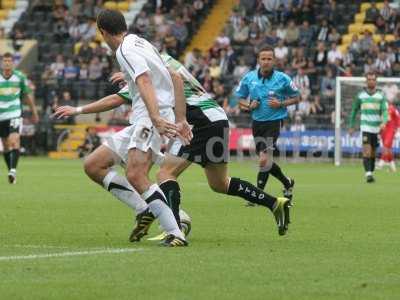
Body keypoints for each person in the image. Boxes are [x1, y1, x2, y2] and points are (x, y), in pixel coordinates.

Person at [55, 53, 292, 240]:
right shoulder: (163, 61)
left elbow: (119, 98)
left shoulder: (151, 72)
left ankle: (175, 228)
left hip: (198, 120)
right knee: (220, 183)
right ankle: (274, 203)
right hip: (215, 118)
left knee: (165, 172)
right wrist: (128, 77)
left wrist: (79, 110)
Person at [93, 9, 190, 246]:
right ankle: (145, 208)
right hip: (145, 117)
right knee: (94, 165)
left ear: (103, 32)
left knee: (136, 173)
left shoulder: (124, 50)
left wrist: (156, 116)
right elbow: (174, 76)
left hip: (149, 116)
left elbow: (144, 80)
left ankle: (174, 231)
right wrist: (180, 118)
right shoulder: (140, 42)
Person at [236, 46, 300, 206]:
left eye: (269, 59)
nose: (266, 61)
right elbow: (240, 99)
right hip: (257, 122)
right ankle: (287, 182)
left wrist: (281, 103)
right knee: (266, 161)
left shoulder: (283, 79)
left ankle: (256, 197)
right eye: (263, 59)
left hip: (274, 121)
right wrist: (250, 105)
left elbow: (297, 97)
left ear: (274, 61)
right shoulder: (249, 78)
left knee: (264, 160)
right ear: (258, 60)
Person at [0, 52, 39, 184]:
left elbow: (27, 95)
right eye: (4, 61)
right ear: (1, 63)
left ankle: (13, 171)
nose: (7, 63)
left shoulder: (20, 77)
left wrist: (34, 112)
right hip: (1, 116)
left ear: (13, 63)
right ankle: (10, 169)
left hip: (14, 113)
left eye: (9, 61)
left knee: (14, 140)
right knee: (5, 146)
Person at [349, 72, 388, 183]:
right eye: (369, 79)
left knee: (373, 152)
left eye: (373, 79)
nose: (371, 81)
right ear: (366, 81)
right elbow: (354, 110)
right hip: (365, 127)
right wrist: (351, 125)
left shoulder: (381, 96)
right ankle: (368, 174)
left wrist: (384, 122)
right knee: (367, 150)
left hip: (376, 128)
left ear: (376, 81)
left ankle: (371, 171)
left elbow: (385, 111)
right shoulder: (360, 96)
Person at [377, 98, 400, 171]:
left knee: (386, 146)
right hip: (384, 131)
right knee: (388, 148)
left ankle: (381, 163)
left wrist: (398, 130)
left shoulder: (392, 109)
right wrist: (379, 132)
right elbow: (380, 123)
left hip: (391, 130)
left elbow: (398, 119)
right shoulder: (380, 111)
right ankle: (392, 166)